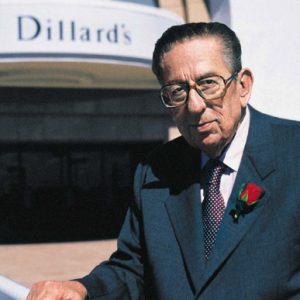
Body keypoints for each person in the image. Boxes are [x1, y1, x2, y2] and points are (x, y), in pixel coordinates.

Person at [27, 22, 300, 300]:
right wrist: (81, 289)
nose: (194, 105)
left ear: (243, 86)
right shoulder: (155, 170)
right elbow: (134, 269)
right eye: (177, 91)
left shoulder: (294, 153)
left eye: (208, 83)